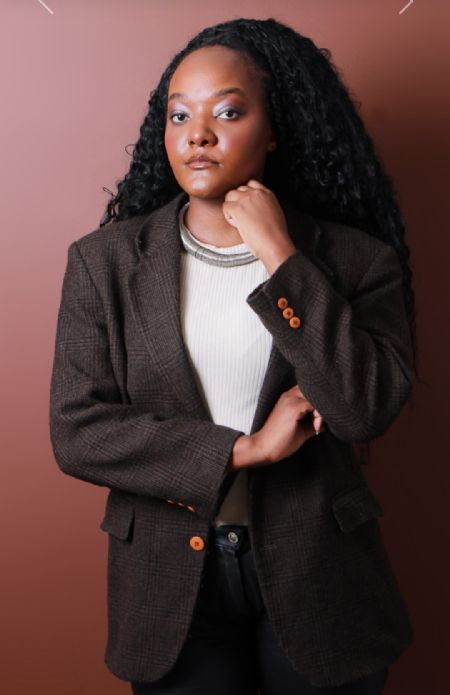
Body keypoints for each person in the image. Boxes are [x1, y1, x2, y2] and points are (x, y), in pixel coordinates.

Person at [49, 16, 417, 695]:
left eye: (227, 111)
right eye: (179, 115)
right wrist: (245, 452)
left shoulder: (355, 261)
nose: (198, 134)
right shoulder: (103, 263)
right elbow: (78, 432)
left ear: (273, 129)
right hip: (167, 583)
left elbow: (363, 408)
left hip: (322, 575)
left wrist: (281, 256)